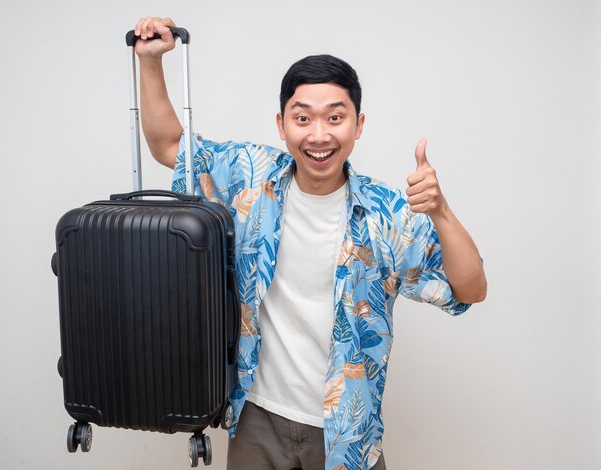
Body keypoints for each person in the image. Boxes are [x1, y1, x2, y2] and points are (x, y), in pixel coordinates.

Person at [133, 16, 487, 470]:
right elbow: (168, 146)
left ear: (358, 125)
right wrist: (149, 61)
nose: (319, 135)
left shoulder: (389, 213)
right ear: (282, 125)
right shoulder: (251, 177)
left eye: (335, 118)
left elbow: (471, 289)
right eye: (303, 118)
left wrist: (439, 210)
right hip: (256, 415)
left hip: (346, 430)